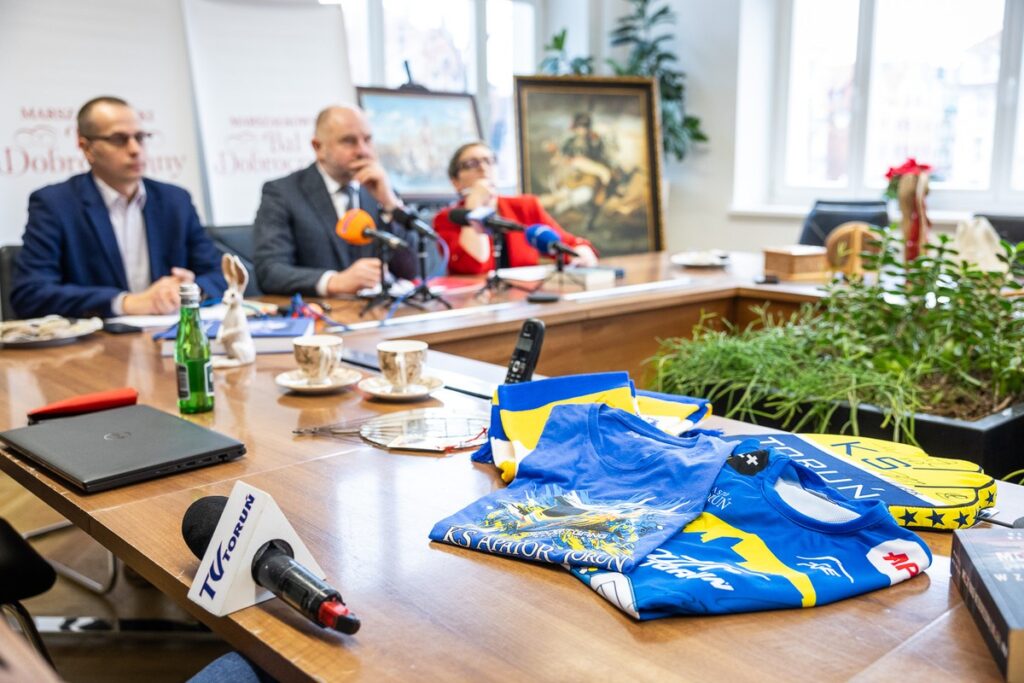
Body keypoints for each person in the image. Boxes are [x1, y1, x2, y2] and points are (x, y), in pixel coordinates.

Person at [11, 96, 226, 319]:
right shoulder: (55, 204)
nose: (135, 149)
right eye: (119, 139)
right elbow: (30, 294)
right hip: (96, 345)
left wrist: (188, 291)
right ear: (87, 148)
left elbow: (217, 274)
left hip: (168, 338)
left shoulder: (175, 200)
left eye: (140, 137)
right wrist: (126, 303)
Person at [253, 106, 421, 296]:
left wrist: (390, 204)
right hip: (321, 315)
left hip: (379, 313)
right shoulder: (282, 193)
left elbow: (410, 271)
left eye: (367, 140)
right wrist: (334, 281)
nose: (363, 151)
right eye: (349, 141)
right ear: (318, 147)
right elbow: (269, 271)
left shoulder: (381, 192)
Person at [433, 142, 598, 275]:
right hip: (474, 305)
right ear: (455, 182)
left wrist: (582, 250)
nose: (483, 168)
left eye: (489, 161)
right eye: (471, 164)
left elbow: (567, 244)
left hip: (525, 299)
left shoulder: (525, 206)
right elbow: (474, 265)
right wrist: (475, 204)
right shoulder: (446, 219)